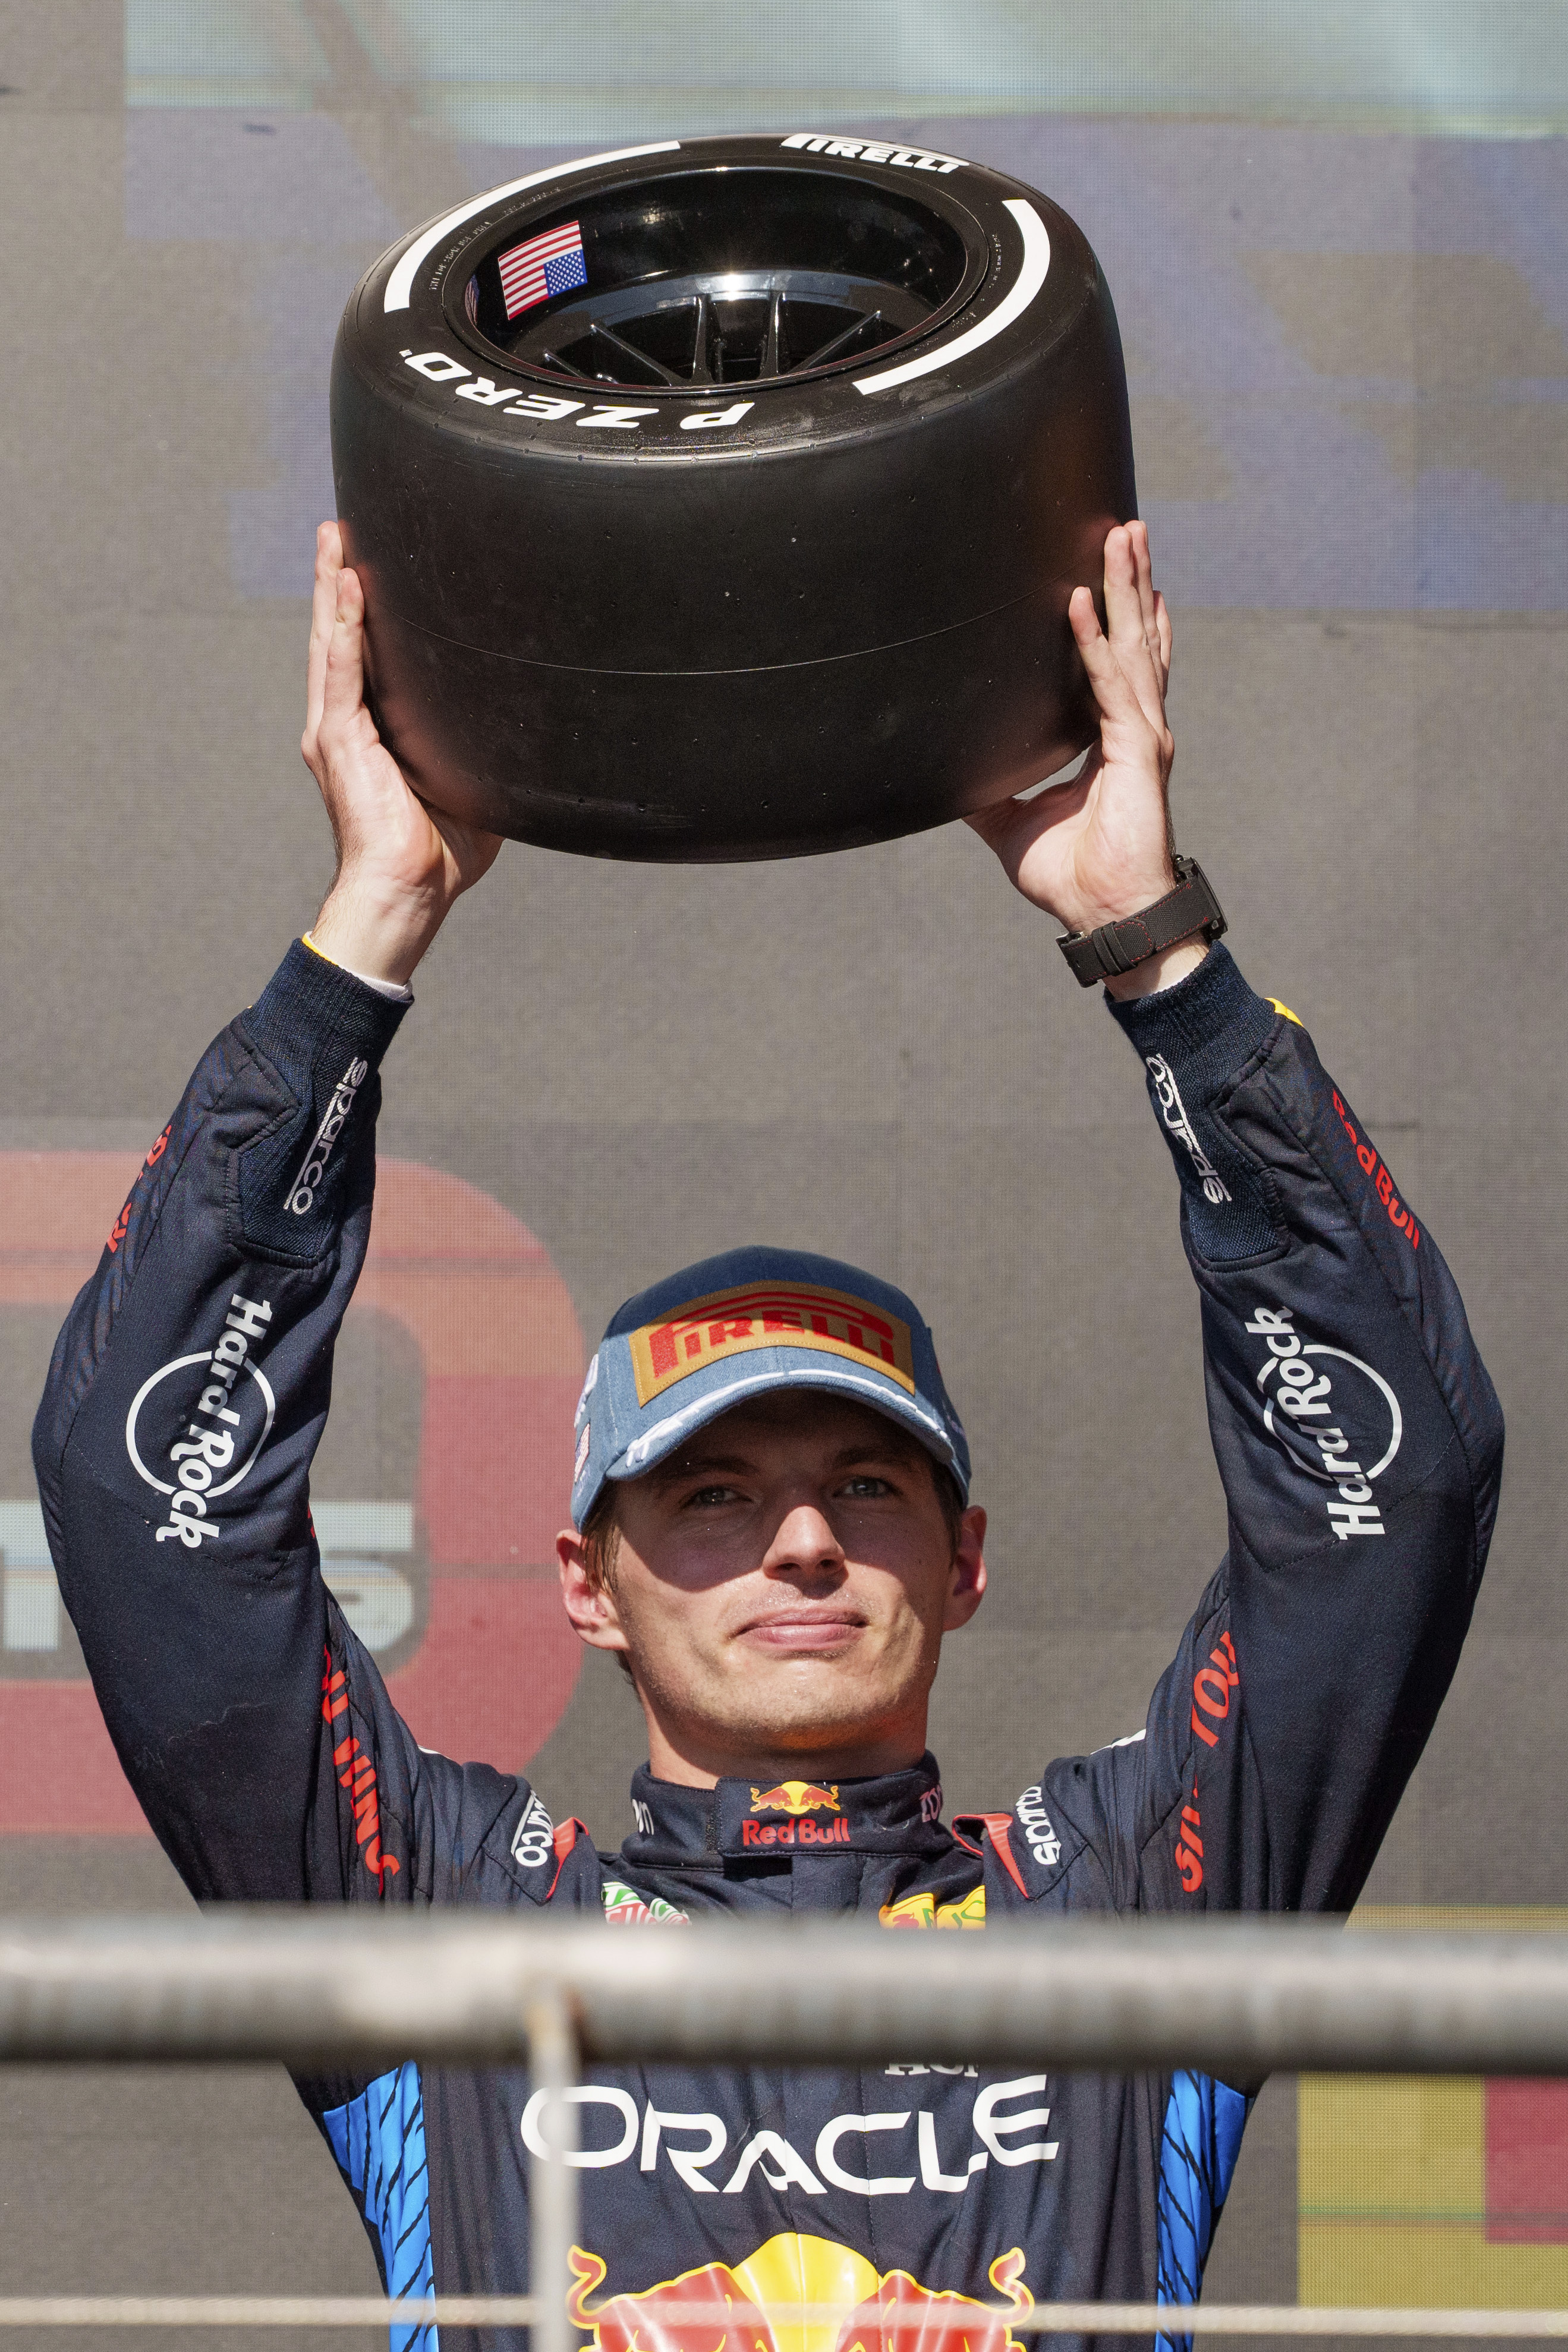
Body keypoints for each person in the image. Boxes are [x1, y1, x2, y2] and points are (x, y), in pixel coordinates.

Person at [34, 518, 1502, 2352]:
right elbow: (142, 1496)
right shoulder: (447, 1932)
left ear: (965, 1561)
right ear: (586, 1580)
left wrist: (1161, 958)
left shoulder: (1130, 1907)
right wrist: (365, 939)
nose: (801, 1546)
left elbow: (1391, 1490)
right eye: (715, 1497)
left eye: (863, 1487)